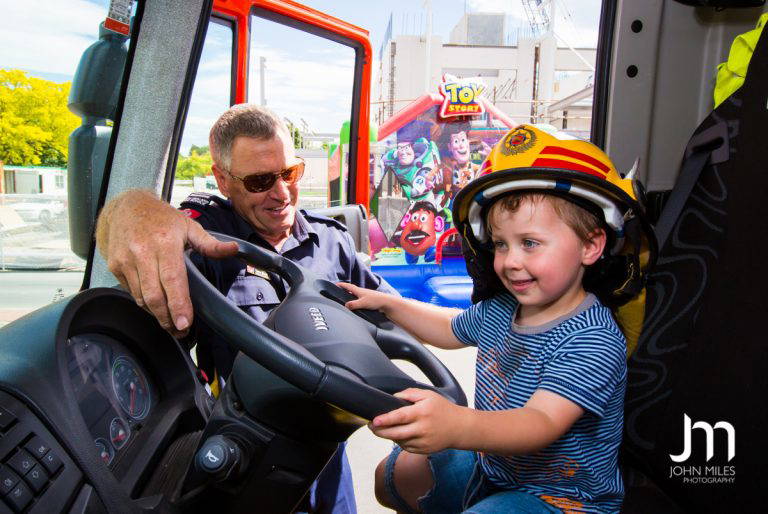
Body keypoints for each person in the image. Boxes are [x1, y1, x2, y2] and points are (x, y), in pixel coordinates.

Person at [95, 103, 398, 514]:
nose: (280, 193)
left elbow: (392, 317)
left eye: (289, 173)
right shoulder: (208, 243)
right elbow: (147, 224)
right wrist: (130, 209)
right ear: (223, 179)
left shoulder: (333, 241)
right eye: (259, 181)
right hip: (249, 452)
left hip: (329, 448)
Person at [338, 124, 656, 513]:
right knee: (395, 476)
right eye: (501, 244)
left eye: (530, 243)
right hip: (496, 468)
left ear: (590, 245)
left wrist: (457, 425)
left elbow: (540, 422)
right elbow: (448, 327)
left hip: (563, 500)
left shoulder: (593, 336)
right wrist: (389, 304)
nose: (511, 262)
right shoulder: (505, 308)